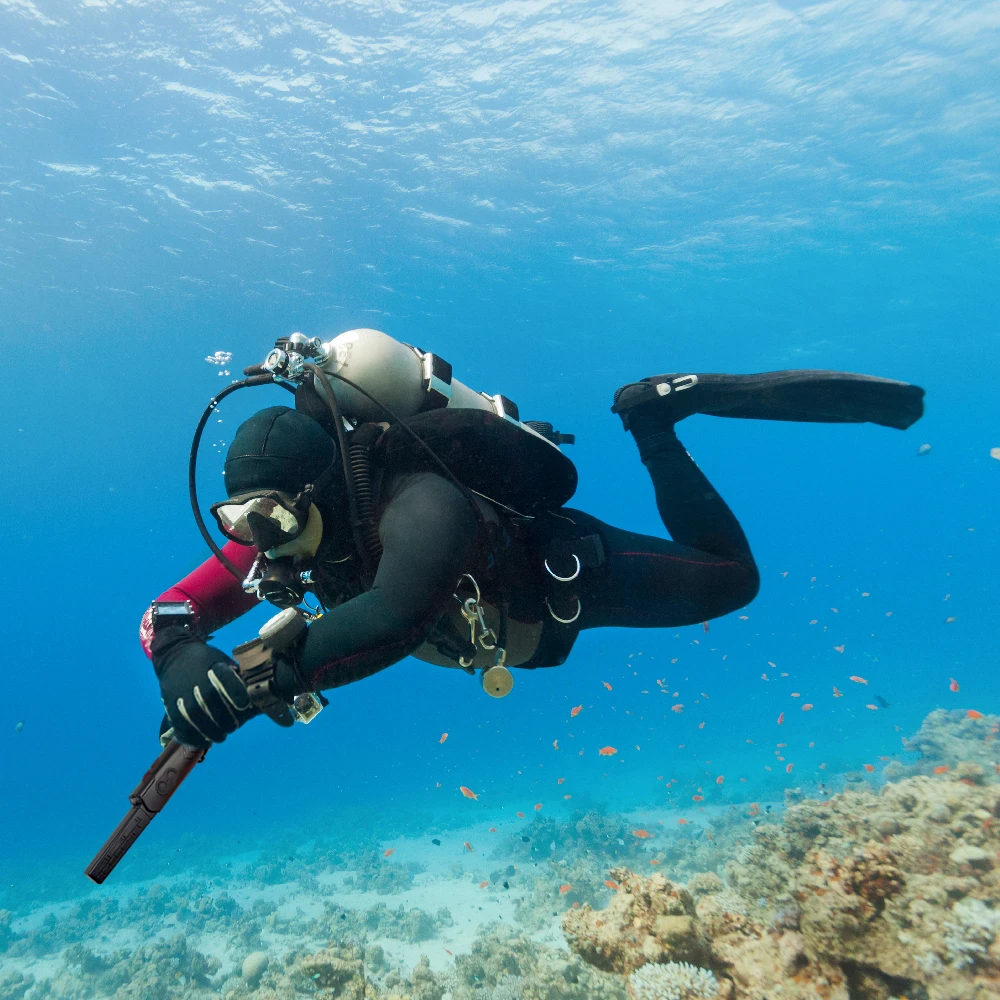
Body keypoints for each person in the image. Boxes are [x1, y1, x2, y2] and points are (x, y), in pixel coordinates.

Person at [142, 332, 924, 748]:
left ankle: (653, 420)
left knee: (734, 579)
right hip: (500, 633)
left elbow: (398, 612)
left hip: (562, 580)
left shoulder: (421, 499)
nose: (260, 544)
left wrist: (248, 683)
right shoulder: (284, 529)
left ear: (316, 491)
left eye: (270, 520)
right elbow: (169, 613)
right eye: (239, 524)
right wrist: (183, 662)